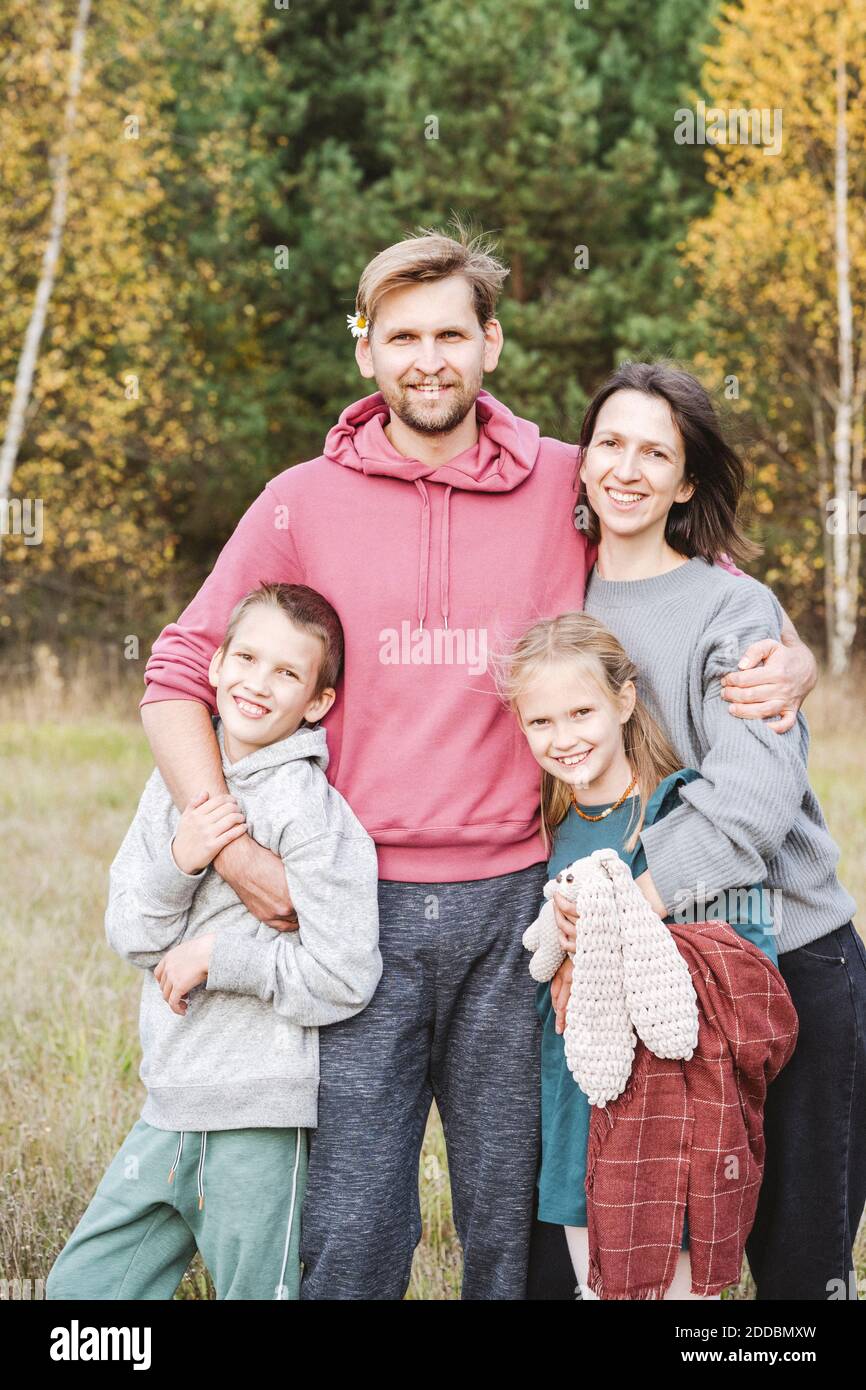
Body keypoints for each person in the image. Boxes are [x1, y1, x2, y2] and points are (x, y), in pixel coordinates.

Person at [136, 223, 817, 1300]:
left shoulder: (565, 480)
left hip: (519, 901)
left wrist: (797, 660)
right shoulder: (300, 498)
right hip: (353, 898)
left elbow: (706, 584)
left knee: (510, 1222)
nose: (426, 358)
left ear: (489, 342)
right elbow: (177, 666)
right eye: (399, 335)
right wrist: (225, 842)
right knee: (355, 1221)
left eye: (450, 332)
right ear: (365, 351)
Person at [531, 360, 863, 1301]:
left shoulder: (735, 609)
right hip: (632, 988)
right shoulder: (563, 607)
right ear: (582, 460)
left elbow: (752, 802)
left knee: (798, 1269)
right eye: (609, 443)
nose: (626, 468)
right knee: (645, 1262)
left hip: (783, 962)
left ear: (686, 481)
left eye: (656, 451)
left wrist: (626, 906)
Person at [45, 583, 381, 1300]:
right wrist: (181, 859)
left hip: (257, 1118)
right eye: (248, 659)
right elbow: (131, 933)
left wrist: (220, 958)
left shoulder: (311, 811)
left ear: (317, 702)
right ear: (217, 664)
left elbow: (346, 973)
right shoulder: (171, 786)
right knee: (83, 1290)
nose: (259, 683)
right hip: (167, 1104)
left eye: (287, 673)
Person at [498, 609, 788, 1299]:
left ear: (624, 700)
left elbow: (750, 968)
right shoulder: (548, 831)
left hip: (676, 1122)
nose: (564, 738)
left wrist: (613, 933)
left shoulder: (681, 818)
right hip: (580, 1121)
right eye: (541, 722)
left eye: (581, 712)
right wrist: (558, 939)